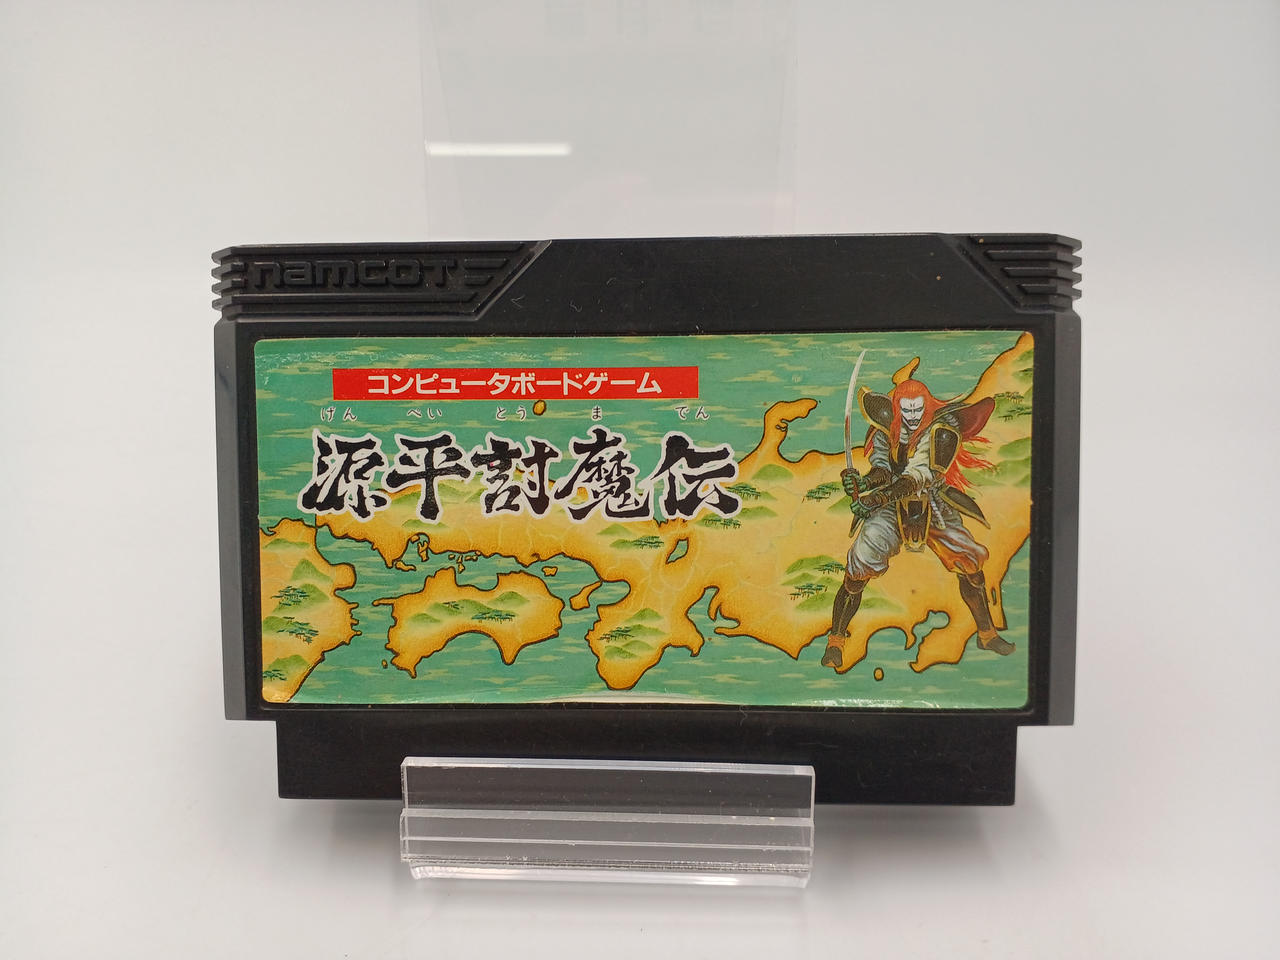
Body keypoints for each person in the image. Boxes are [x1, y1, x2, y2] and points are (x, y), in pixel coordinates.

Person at [822, 360, 1013, 669]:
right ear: (897, 409)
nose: (912, 416)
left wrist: (876, 498)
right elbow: (883, 470)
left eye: (917, 409)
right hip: (891, 508)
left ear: (927, 406)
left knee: (969, 562)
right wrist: (864, 483)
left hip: (933, 503)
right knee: (859, 565)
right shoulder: (887, 429)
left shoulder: (942, 432)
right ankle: (835, 642)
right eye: (906, 410)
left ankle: (987, 634)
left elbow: (918, 476)